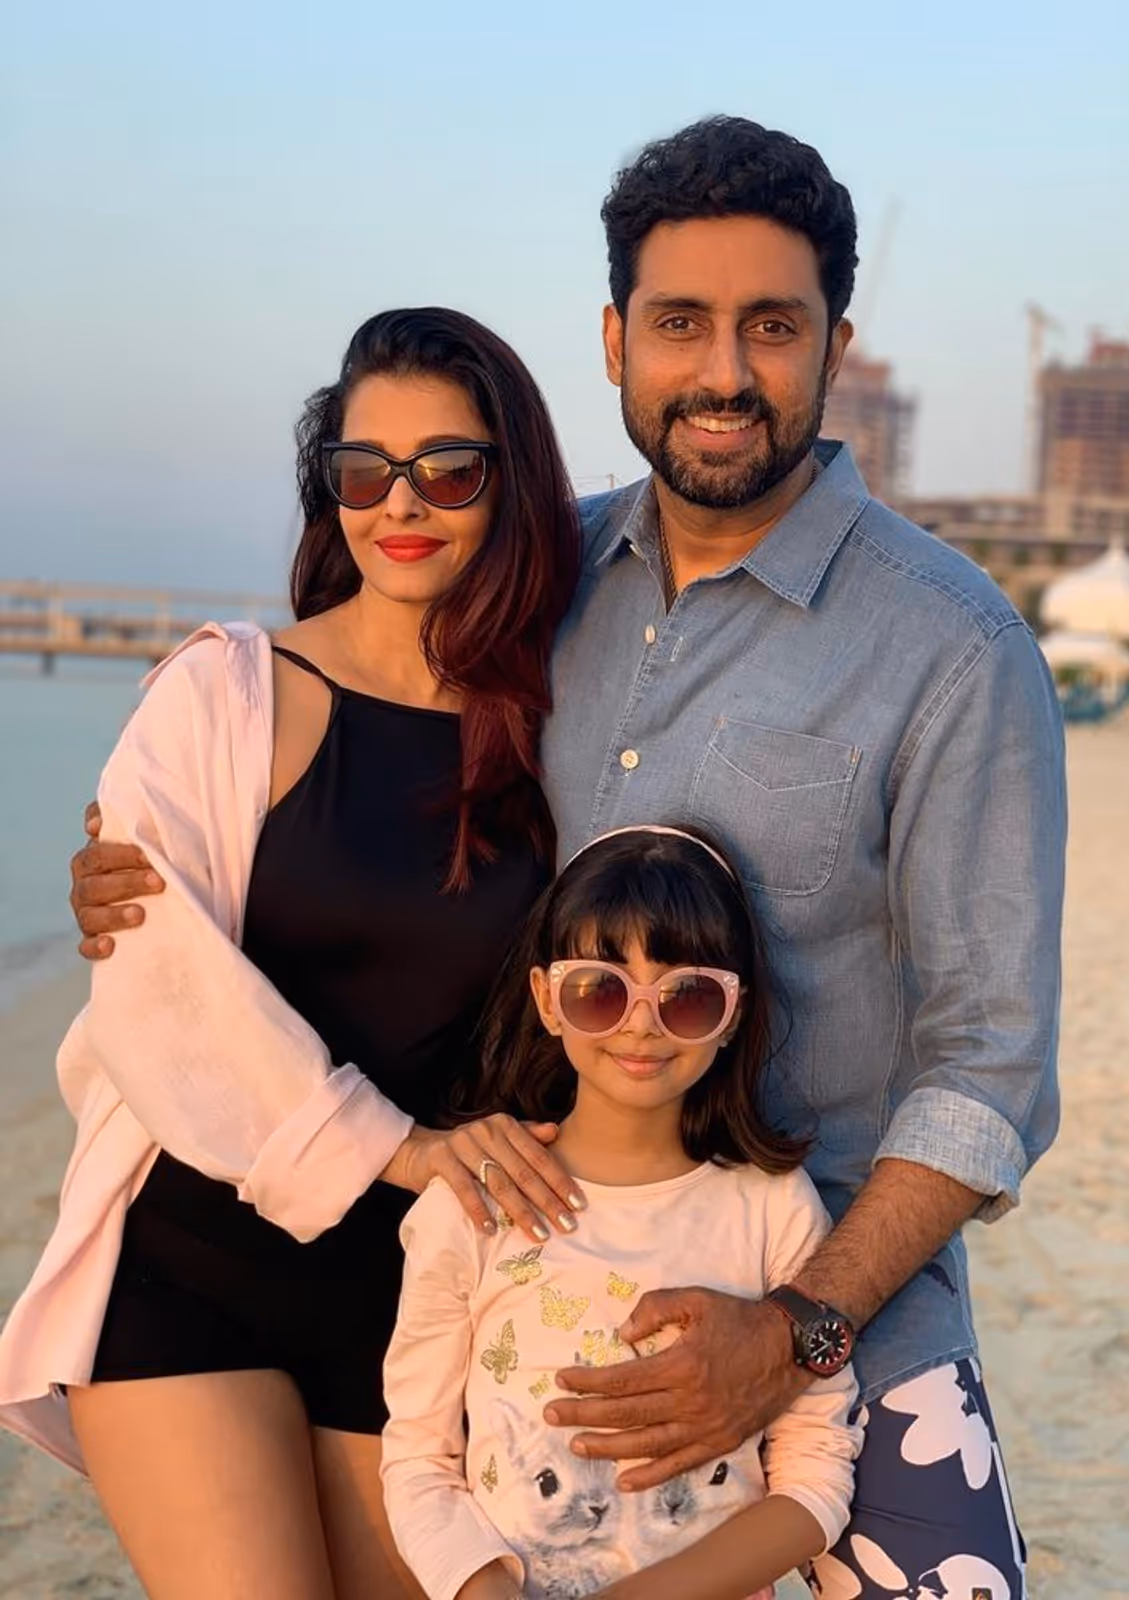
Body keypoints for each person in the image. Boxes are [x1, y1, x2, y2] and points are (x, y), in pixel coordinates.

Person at [62, 117, 1065, 1594]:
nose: (723, 372)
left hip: (838, 1292)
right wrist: (147, 843)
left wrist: (796, 1322)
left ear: (835, 346)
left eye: (771, 325)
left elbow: (990, 1070)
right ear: (614, 342)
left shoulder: (954, 646)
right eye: (680, 323)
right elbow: (351, 732)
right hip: (530, 1272)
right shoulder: (543, 583)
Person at [0, 307, 589, 1600]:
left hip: (417, 1303)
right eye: (362, 470)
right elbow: (157, 989)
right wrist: (404, 1147)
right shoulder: (226, 695)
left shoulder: (557, 734)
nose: (401, 503)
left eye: (449, 469)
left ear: (512, 486)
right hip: (188, 1269)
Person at [381, 825, 860, 1600]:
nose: (641, 1024)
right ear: (548, 999)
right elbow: (419, 1460)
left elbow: (817, 1472)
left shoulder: (774, 1206)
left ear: (732, 1014)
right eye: (600, 990)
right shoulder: (470, 1206)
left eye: (687, 996)